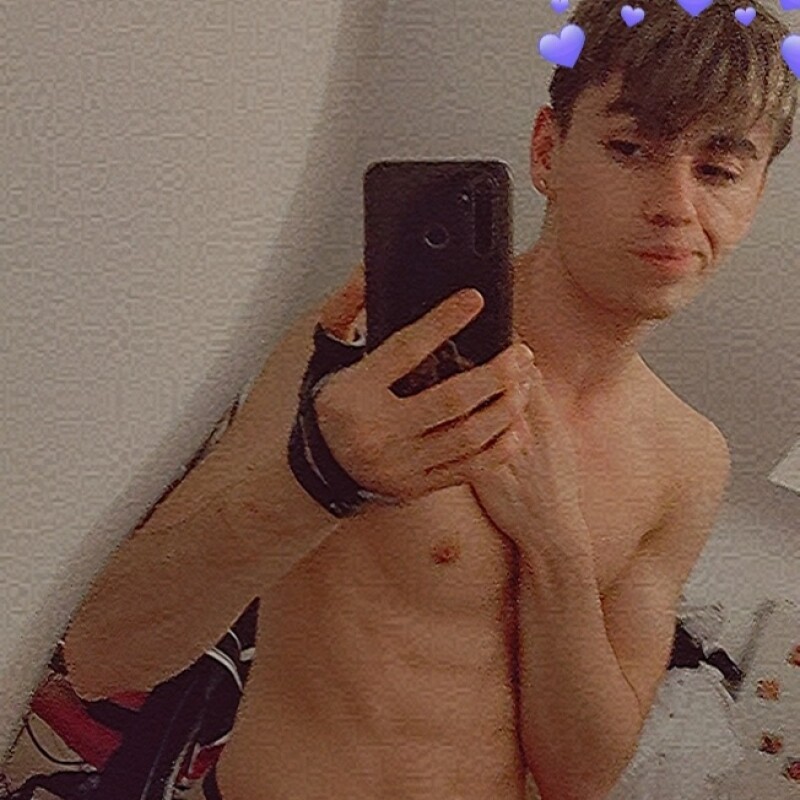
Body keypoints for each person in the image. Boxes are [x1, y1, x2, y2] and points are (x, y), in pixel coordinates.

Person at [60, 0, 796, 797]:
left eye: (718, 170)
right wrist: (322, 476)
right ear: (548, 151)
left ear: (755, 193)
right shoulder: (366, 350)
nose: (676, 205)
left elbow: (580, 777)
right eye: (630, 149)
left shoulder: (690, 456)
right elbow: (104, 656)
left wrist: (556, 547)